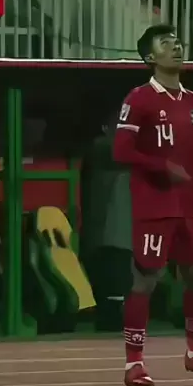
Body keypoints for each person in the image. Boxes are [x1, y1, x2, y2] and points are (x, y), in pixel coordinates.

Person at [112, 24, 193, 386]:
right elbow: (121, 151)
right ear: (150, 56)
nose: (176, 47)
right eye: (166, 43)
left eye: (177, 42)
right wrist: (162, 167)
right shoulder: (138, 98)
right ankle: (134, 363)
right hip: (154, 207)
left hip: (187, 207)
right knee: (146, 280)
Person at [80, 123, 132, 332]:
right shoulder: (101, 148)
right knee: (111, 285)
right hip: (108, 236)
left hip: (123, 235)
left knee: (122, 281)